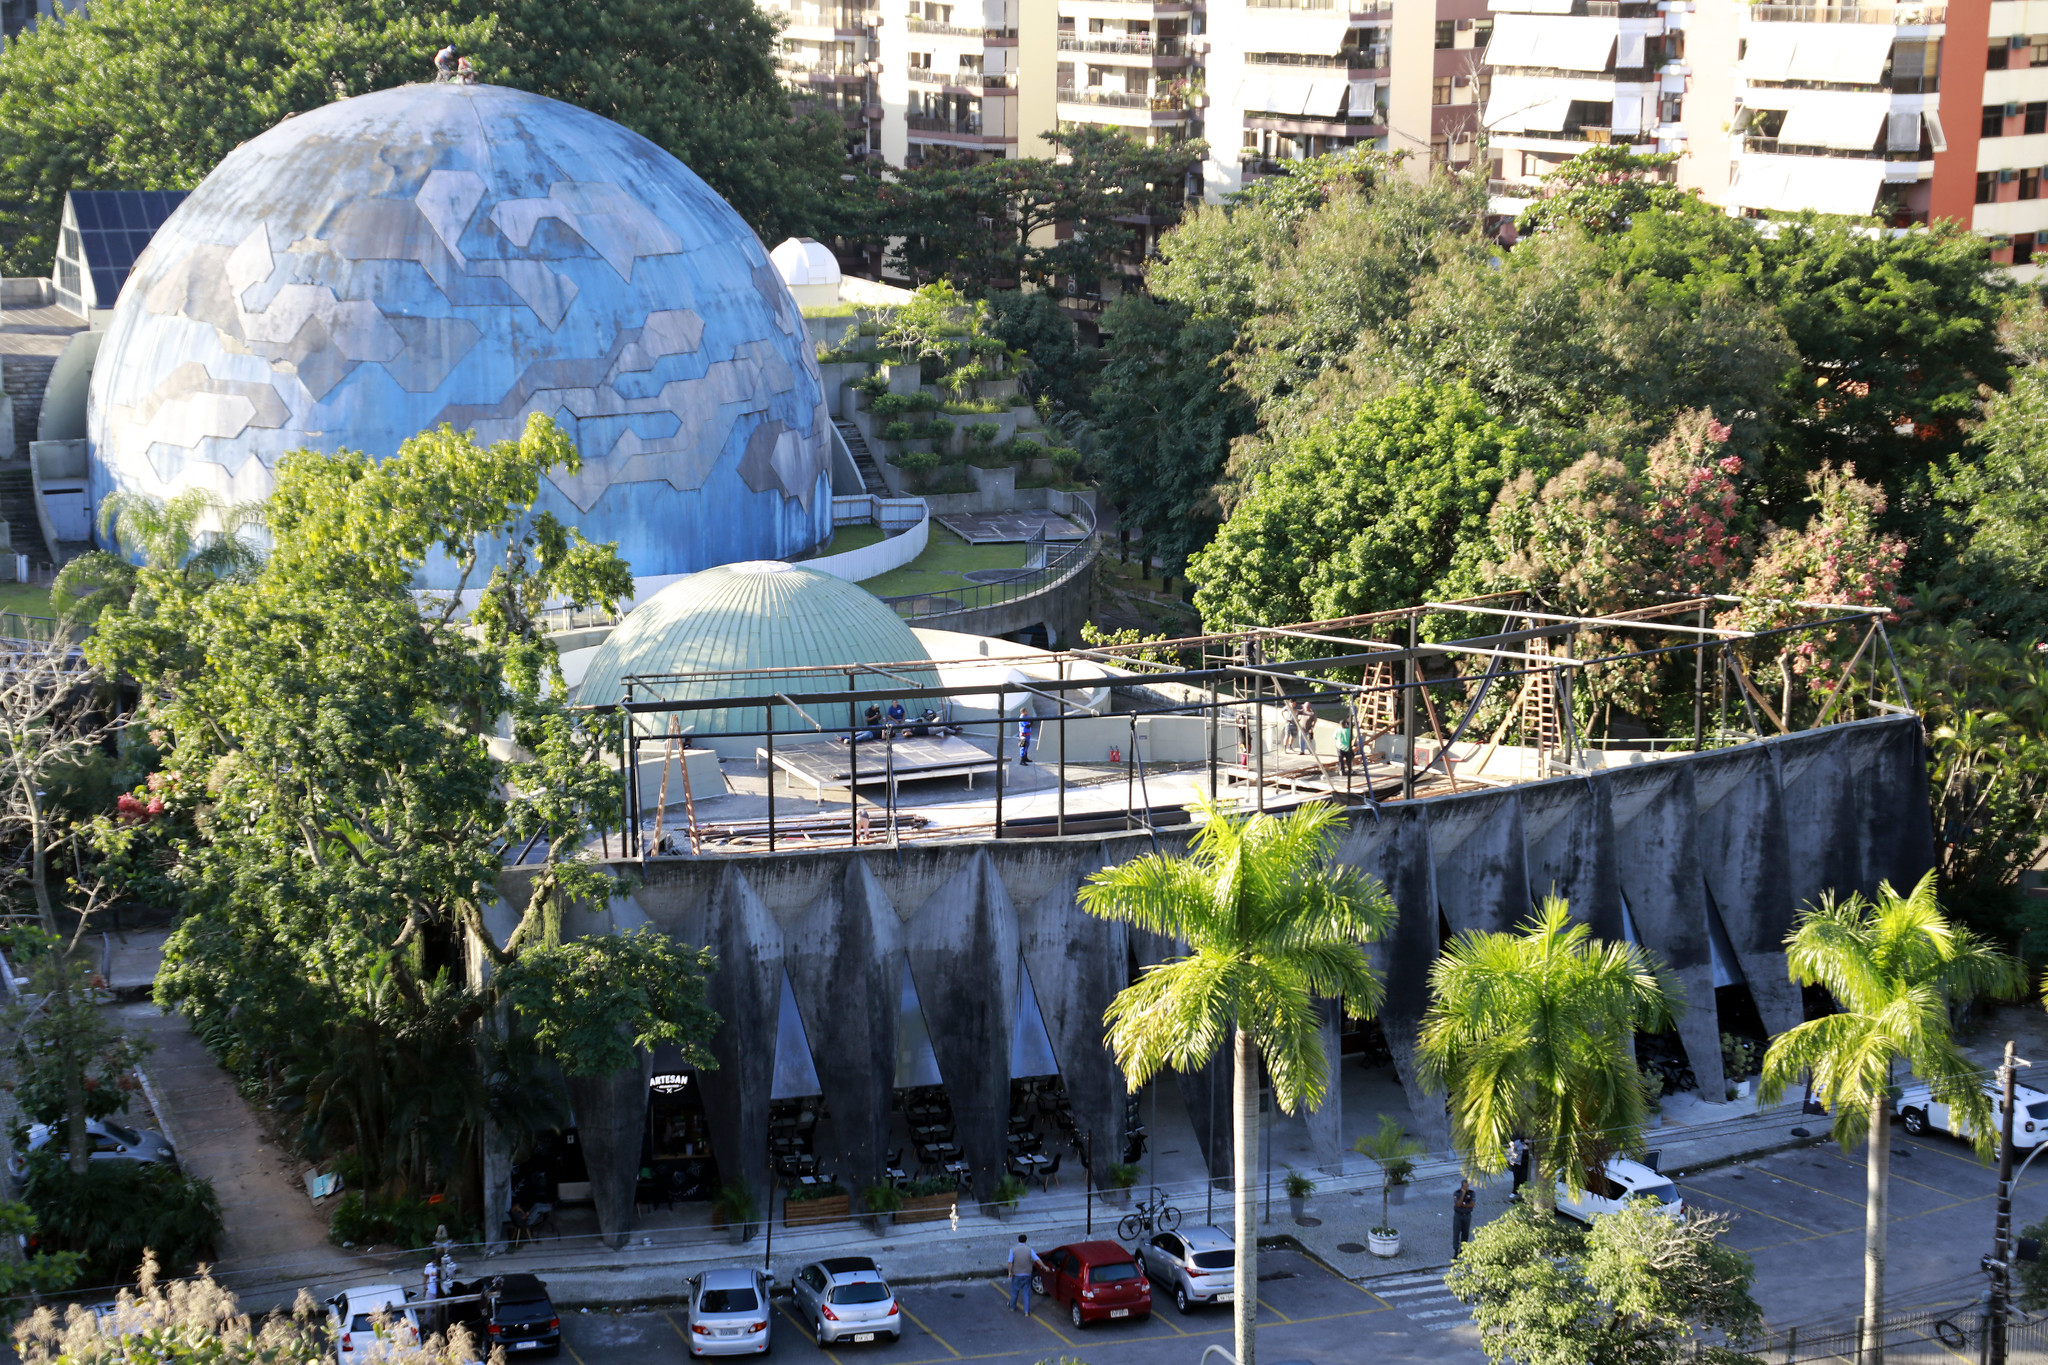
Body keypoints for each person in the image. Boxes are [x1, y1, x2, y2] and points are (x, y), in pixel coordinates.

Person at [1007, 1234, 1035, 1314]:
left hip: (1017, 1274)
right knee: (1026, 1293)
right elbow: (1036, 1258)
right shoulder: (1029, 1250)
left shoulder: (1013, 1250)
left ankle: (1012, 1307)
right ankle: (1026, 1311)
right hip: (1027, 1274)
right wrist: (1044, 1266)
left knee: (1014, 1292)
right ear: (1026, 1241)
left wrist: (1010, 1272)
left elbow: (1010, 1262)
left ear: (1017, 1240)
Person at [1451, 1179, 1477, 1255]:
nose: (1467, 1188)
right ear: (1462, 1187)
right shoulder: (1457, 1193)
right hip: (1458, 1215)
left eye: (1467, 1186)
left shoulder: (1472, 1193)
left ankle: (1463, 1249)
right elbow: (1458, 1204)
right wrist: (1463, 1194)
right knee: (1456, 1233)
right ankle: (1456, 1250)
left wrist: (1463, 1205)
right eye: (1465, 1187)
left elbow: (1472, 1205)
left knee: (1465, 1233)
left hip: (1467, 1215)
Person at [1335, 715, 1355, 780]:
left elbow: (1334, 737)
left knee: (1340, 760)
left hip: (1339, 747)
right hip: (1347, 747)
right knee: (1348, 760)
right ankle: (1350, 770)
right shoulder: (1348, 731)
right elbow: (1352, 738)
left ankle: (1341, 771)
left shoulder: (1338, 730)